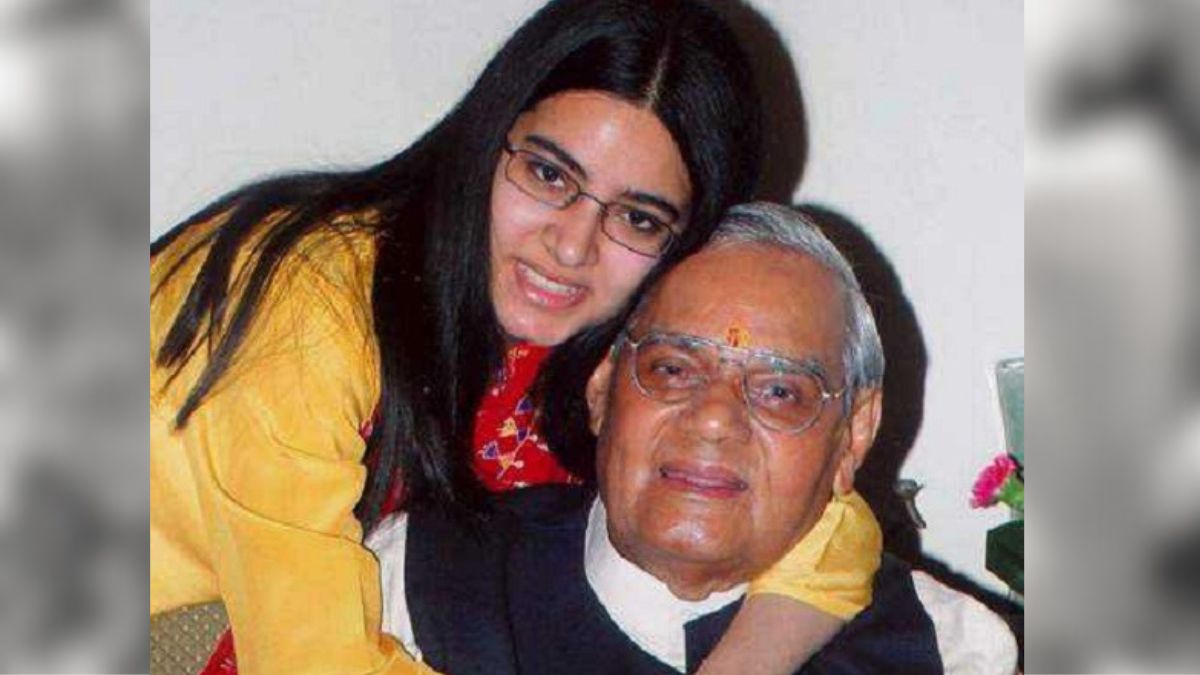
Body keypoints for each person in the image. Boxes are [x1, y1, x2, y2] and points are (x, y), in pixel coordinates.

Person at [150, 2, 881, 673]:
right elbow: (314, 660)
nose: (571, 246)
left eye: (638, 218)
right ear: (487, 138)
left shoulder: (581, 353)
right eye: (548, 174)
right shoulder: (309, 300)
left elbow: (827, 518)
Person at [368, 202, 942, 673]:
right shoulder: (407, 585)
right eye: (671, 369)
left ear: (854, 434)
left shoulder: (946, 649)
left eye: (779, 391)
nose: (714, 419)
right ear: (601, 387)